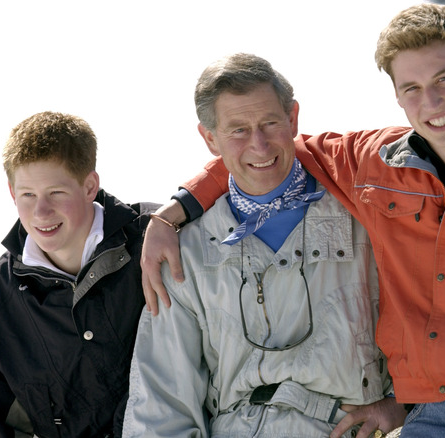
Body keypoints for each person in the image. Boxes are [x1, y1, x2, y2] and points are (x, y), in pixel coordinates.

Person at [140, 4, 445, 438]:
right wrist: (176, 210)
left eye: (444, 78)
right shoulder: (374, 165)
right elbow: (267, 154)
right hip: (429, 420)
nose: (432, 104)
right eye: (412, 88)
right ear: (398, 97)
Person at [122, 53, 407, 438]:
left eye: (270, 123)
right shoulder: (184, 252)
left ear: (292, 119)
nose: (259, 144)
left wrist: (404, 404)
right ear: (210, 138)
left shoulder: (366, 218)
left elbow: (432, 323)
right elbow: (161, 404)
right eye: (237, 130)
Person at [0, 112, 158, 437]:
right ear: (12, 193)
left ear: (90, 185)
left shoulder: (155, 240)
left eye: (56, 193)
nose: (41, 212)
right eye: (28, 195)